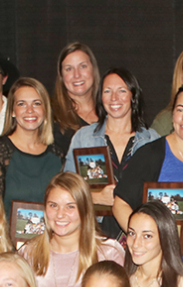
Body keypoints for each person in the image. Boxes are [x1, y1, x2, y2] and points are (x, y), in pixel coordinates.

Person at [114, 84, 183, 280]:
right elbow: (120, 205)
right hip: (163, 275)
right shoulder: (151, 155)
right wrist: (145, 243)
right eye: (180, 110)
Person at [22, 172, 125, 287]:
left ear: (84, 209)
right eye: (53, 205)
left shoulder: (108, 253)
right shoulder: (28, 253)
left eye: (70, 206)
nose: (60, 214)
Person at [65, 68, 158, 240]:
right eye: (108, 91)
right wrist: (96, 197)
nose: (114, 97)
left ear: (133, 96)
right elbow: (66, 190)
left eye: (122, 91)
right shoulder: (83, 138)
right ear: (101, 97)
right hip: (95, 235)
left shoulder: (152, 140)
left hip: (139, 237)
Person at [0, 77, 65, 223]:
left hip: (49, 242)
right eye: (22, 104)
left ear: (45, 109)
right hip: (9, 243)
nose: (30, 110)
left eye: (36, 103)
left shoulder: (58, 155)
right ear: (13, 111)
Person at [51, 42, 100, 156]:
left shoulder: (111, 110)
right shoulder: (51, 115)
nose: (77, 75)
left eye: (83, 66)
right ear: (61, 76)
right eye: (69, 69)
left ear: (93, 69)